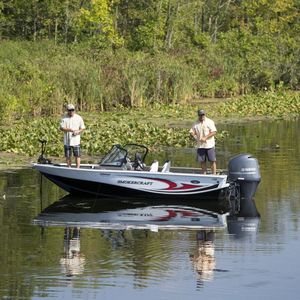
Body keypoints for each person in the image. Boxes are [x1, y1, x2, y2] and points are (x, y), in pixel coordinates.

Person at [189, 109, 217, 174]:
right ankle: (204, 175)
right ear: (198, 115)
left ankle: (214, 175)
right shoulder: (195, 123)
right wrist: (195, 136)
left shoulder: (210, 122)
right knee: (202, 161)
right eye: (201, 115)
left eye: (203, 114)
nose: (202, 116)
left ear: (205, 114)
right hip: (200, 146)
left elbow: (214, 132)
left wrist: (205, 137)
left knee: (212, 160)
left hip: (209, 145)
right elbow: (191, 131)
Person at [60, 104, 85, 168]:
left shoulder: (79, 118)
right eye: (69, 110)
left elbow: (82, 128)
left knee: (77, 155)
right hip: (67, 140)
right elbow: (61, 128)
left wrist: (78, 131)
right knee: (68, 155)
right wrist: (69, 130)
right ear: (67, 110)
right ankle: (69, 167)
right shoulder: (64, 118)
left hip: (76, 140)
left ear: (74, 110)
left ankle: (78, 168)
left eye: (72, 110)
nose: (71, 111)